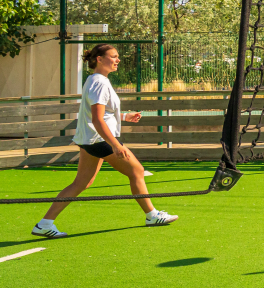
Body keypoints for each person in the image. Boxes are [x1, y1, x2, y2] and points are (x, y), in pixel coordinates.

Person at [31, 44, 177, 239]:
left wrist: (124, 117)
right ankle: (152, 215)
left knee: (82, 182)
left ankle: (44, 224)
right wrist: (116, 146)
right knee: (137, 171)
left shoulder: (96, 80)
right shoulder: (99, 82)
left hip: (90, 139)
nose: (117, 60)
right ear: (99, 59)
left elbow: (104, 113)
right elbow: (97, 119)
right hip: (100, 139)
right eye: (113, 57)